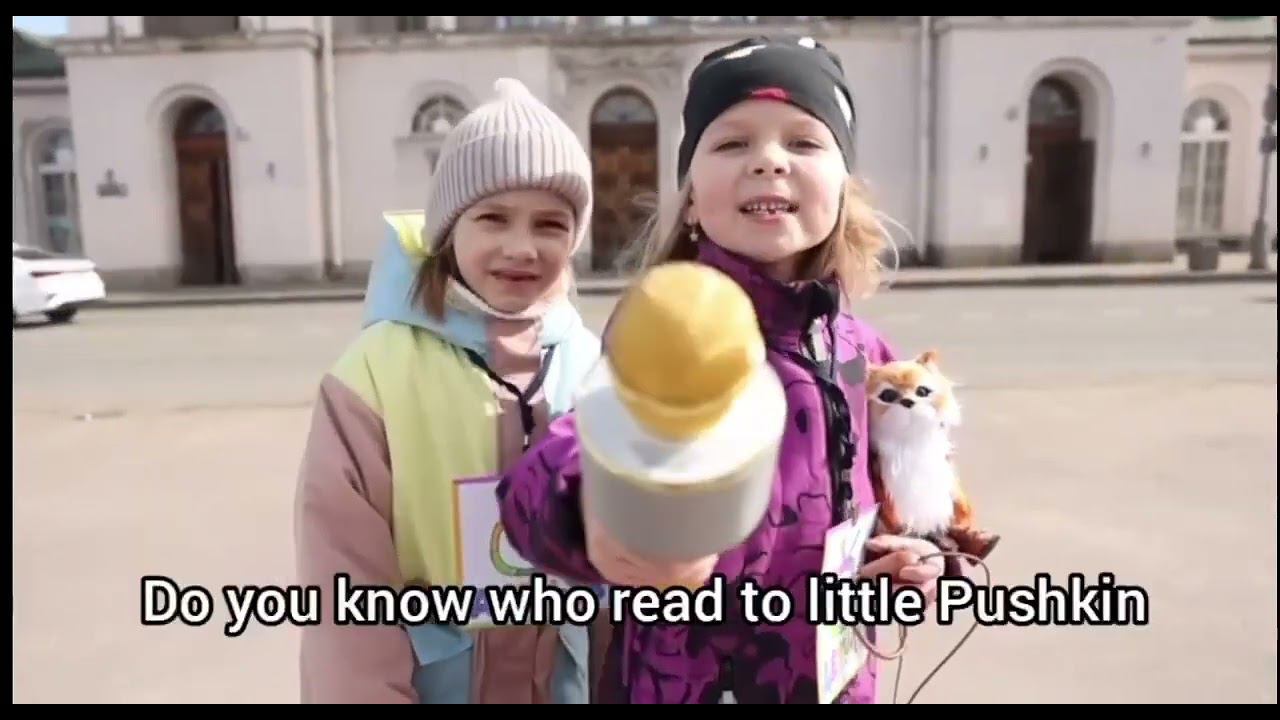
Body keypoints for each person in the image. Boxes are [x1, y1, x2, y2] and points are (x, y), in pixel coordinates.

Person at [496, 37, 960, 703]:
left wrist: (920, 555)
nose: (768, 160)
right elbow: (557, 469)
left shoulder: (867, 353)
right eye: (733, 142)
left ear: (844, 190)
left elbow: (914, 488)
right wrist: (591, 512)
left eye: (803, 142)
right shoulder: (675, 333)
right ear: (690, 199)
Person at [293, 77, 611, 703]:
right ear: (448, 230)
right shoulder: (373, 377)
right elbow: (343, 591)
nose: (521, 247)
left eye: (550, 224)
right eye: (493, 218)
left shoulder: (594, 367)